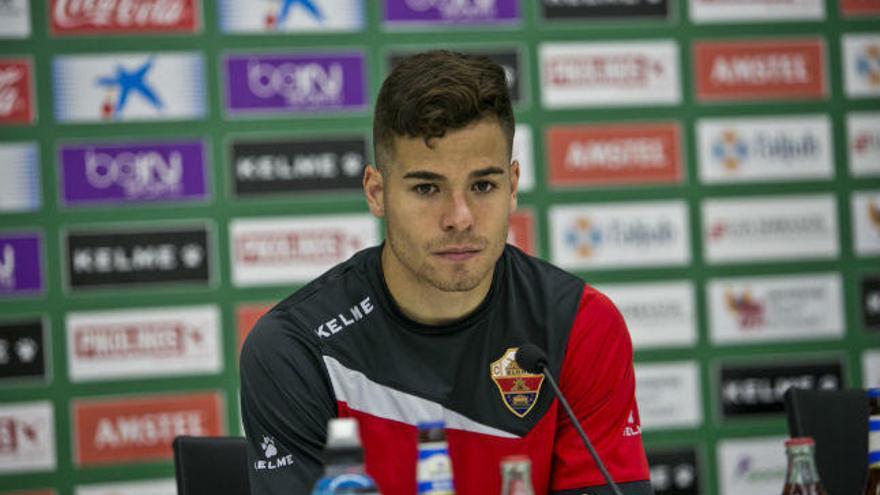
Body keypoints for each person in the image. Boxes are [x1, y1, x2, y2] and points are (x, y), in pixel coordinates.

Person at [240, 50, 653, 495]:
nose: (460, 217)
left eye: (482, 186)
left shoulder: (581, 326)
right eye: (426, 188)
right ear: (377, 193)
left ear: (513, 187)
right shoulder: (297, 347)